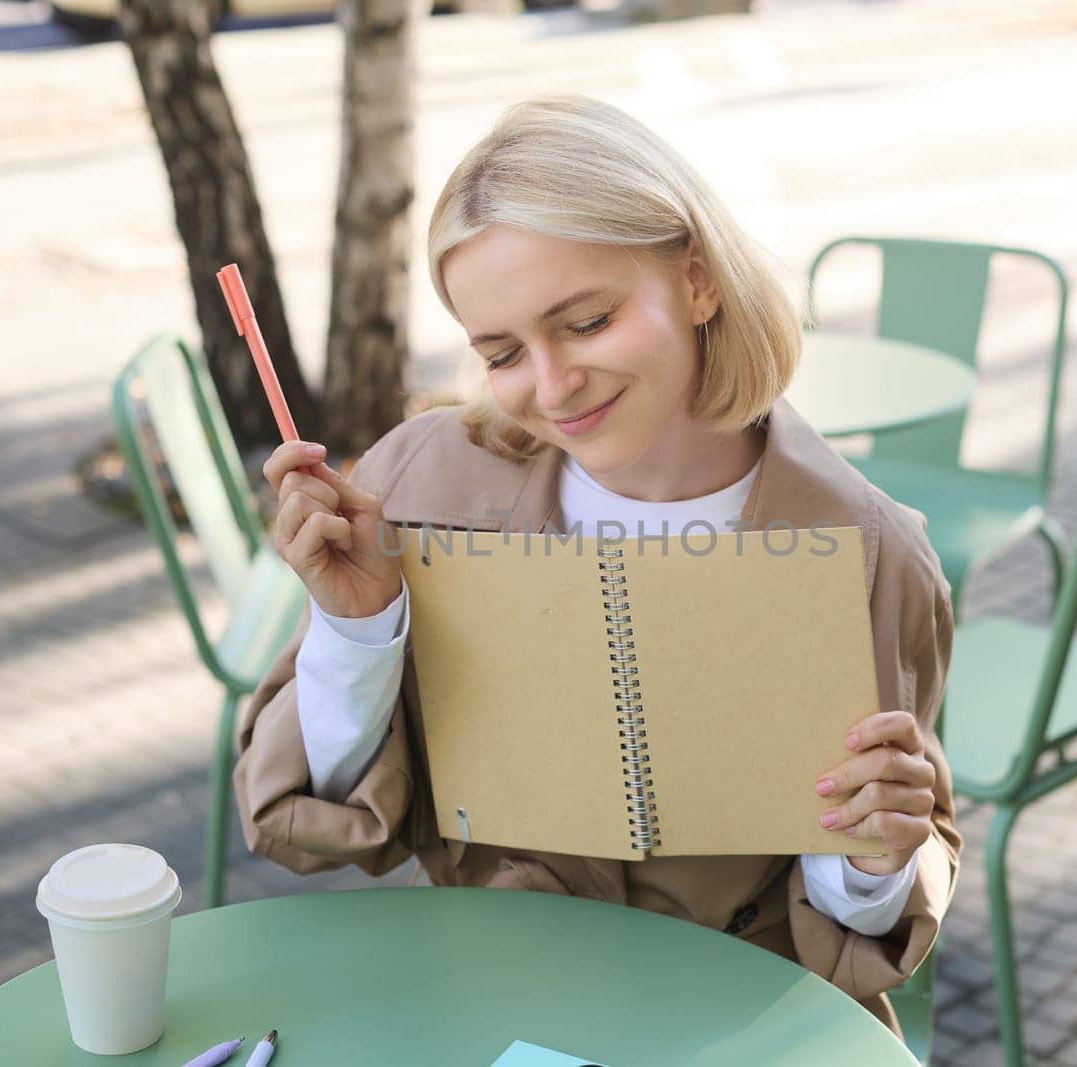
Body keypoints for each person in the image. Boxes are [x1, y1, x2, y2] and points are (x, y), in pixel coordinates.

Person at [233, 94, 958, 1034]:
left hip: (729, 1019)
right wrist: (358, 628)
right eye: (501, 350)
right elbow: (319, 813)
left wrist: (870, 855)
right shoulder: (419, 484)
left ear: (697, 281)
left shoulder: (867, 552)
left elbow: (853, 922)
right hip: (479, 999)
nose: (552, 384)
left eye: (585, 321)